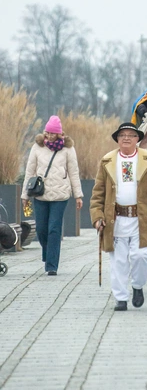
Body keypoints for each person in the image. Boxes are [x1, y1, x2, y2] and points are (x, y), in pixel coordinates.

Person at [90, 122, 147, 312]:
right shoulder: (107, 161)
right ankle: (120, 298)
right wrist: (97, 216)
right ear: (117, 139)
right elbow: (97, 194)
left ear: (138, 139)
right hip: (116, 219)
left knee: (140, 256)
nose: (126, 138)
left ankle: (137, 285)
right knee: (118, 260)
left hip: (141, 219)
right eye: (122, 135)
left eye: (131, 135)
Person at [21, 115, 83, 275]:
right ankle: (48, 254)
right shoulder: (37, 147)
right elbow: (30, 172)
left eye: (53, 133)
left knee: (54, 229)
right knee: (41, 229)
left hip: (60, 194)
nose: (49, 136)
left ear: (59, 134)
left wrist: (78, 195)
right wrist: (24, 196)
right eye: (47, 132)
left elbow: (74, 172)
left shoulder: (68, 149)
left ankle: (51, 265)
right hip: (40, 194)